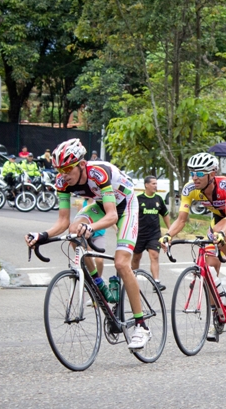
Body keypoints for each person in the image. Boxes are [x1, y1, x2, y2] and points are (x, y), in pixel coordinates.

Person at [25, 138, 151, 351]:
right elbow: (63, 222)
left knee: (122, 264)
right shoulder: (62, 181)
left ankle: (141, 325)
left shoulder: (98, 173)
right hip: (102, 205)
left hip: (125, 206)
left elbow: (112, 216)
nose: (63, 175)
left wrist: (92, 228)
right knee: (74, 230)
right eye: (59, 170)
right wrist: (42, 235)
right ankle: (99, 285)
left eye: (67, 169)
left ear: (82, 165)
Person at [160, 152, 226, 303]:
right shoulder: (190, 189)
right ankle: (217, 314)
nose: (195, 177)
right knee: (209, 268)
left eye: (200, 173)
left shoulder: (225, 185)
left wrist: (222, 232)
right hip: (218, 219)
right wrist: (168, 235)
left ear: (212, 174)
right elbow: (181, 220)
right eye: (192, 173)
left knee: (217, 231)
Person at [132, 176, 171, 291]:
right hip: (139, 234)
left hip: (154, 235)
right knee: (136, 257)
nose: (155, 186)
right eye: (153, 183)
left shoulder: (158, 199)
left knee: (154, 256)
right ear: (146, 185)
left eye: (156, 183)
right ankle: (132, 279)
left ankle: (156, 282)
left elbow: (165, 214)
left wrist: (169, 231)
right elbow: (131, 215)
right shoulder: (138, 199)